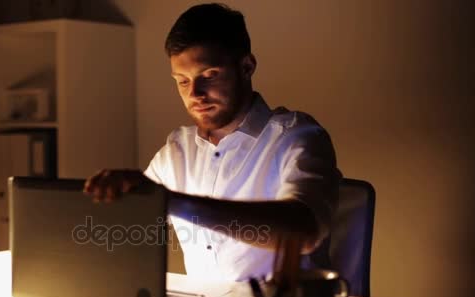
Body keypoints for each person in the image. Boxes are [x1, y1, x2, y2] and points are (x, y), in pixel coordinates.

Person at [83, 3, 341, 282]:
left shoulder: (297, 137)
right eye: (182, 81)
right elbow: (128, 224)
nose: (195, 94)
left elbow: (303, 231)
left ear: (246, 66)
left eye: (209, 76)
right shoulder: (176, 152)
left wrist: (177, 203)